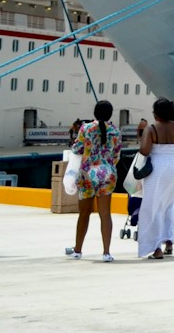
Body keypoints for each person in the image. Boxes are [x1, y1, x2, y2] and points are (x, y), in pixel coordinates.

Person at [65, 99, 121, 261]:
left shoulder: (86, 128)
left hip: (88, 174)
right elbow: (116, 154)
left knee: (84, 213)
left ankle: (78, 250)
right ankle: (106, 252)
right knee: (105, 214)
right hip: (107, 174)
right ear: (110, 114)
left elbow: (77, 149)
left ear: (95, 113)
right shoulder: (116, 131)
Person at [137, 97, 174, 259]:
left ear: (156, 114)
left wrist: (142, 136)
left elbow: (145, 150)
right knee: (170, 204)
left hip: (157, 167)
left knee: (152, 206)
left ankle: (155, 248)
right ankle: (169, 241)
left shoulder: (151, 129)